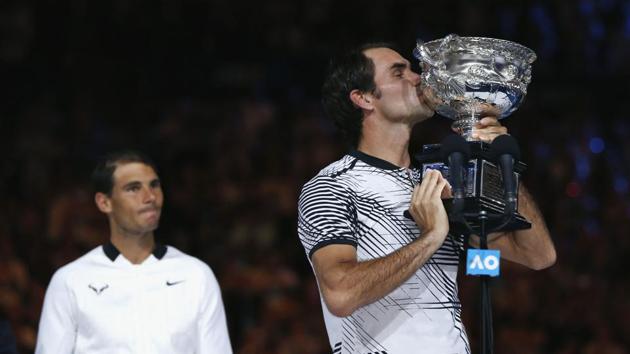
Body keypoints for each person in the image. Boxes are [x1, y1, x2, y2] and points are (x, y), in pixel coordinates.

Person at [297, 43, 557, 353]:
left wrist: (503, 166)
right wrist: (431, 237)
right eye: (399, 73)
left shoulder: (443, 181)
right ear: (363, 98)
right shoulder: (332, 187)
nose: (418, 78)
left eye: (412, 69)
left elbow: (539, 255)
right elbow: (340, 295)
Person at [35, 150, 232, 354]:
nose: (150, 197)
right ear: (104, 202)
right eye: (133, 188)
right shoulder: (71, 281)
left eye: (154, 185)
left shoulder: (196, 275)